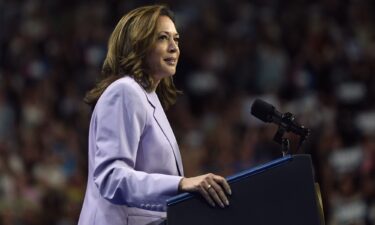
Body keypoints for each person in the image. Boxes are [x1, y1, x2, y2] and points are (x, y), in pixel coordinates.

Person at [77, 4, 231, 225]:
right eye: (162, 38)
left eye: (176, 39)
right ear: (138, 44)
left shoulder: (148, 97)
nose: (174, 48)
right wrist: (181, 184)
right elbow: (111, 177)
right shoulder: (124, 91)